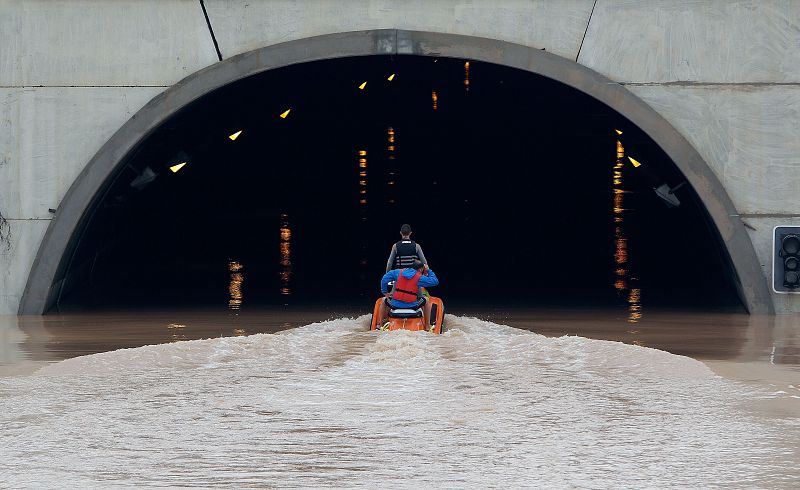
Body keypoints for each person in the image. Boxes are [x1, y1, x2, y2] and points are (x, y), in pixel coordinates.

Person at [378, 260, 439, 325]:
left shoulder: (398, 272)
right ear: (421, 269)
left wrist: (385, 292)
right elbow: (435, 281)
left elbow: (384, 279)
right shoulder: (419, 277)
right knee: (426, 300)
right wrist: (428, 270)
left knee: (384, 300)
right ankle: (427, 326)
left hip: (395, 305)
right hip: (412, 305)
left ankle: (381, 324)